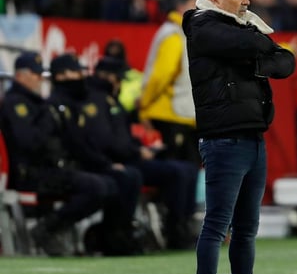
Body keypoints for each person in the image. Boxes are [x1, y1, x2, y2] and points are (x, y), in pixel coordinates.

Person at [182, 0, 295, 274]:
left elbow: (286, 62)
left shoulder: (236, 29)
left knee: (246, 230)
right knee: (217, 226)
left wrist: (257, 55)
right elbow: (255, 46)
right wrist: (260, 50)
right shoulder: (201, 24)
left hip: (252, 137)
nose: (247, 2)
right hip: (223, 139)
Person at [0, 51, 118, 256]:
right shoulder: (16, 104)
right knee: (96, 187)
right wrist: (49, 119)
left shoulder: (37, 102)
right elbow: (29, 143)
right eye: (35, 74)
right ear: (20, 75)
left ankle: (71, 232)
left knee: (107, 183)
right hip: (31, 174)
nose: (40, 79)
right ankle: (48, 228)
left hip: (49, 169)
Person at [84, 56, 200, 249]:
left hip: (131, 156)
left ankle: (183, 223)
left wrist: (141, 147)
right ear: (107, 77)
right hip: (122, 160)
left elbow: (122, 136)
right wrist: (137, 150)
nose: (120, 83)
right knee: (176, 173)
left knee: (188, 169)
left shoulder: (112, 101)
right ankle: (172, 231)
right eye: (118, 78)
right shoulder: (97, 101)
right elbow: (107, 141)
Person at [47, 53, 142, 255]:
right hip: (66, 167)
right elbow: (75, 145)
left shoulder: (73, 103)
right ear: (60, 76)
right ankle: (53, 226)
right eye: (75, 72)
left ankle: (116, 234)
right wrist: (105, 164)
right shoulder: (57, 104)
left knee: (124, 177)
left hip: (81, 163)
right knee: (110, 183)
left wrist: (105, 162)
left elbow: (83, 143)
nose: (80, 76)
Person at [139, 0, 200, 164]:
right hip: (170, 113)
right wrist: (144, 103)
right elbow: (161, 75)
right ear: (180, 7)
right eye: (194, 5)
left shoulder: (188, 33)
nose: (199, 10)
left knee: (188, 170)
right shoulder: (173, 33)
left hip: (184, 115)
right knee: (175, 170)